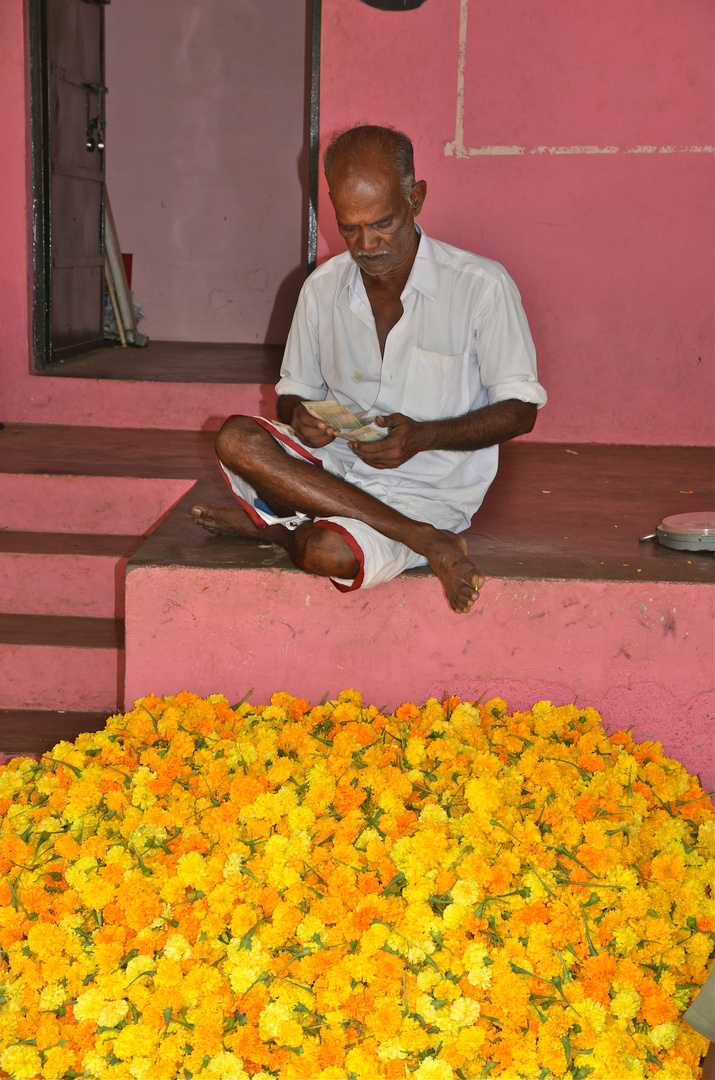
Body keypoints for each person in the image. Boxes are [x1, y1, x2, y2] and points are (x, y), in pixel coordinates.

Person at [191, 124, 547, 613]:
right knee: (235, 438)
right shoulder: (322, 288)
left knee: (326, 552)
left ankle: (277, 528)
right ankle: (425, 541)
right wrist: (303, 419)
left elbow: (520, 411)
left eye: (382, 224)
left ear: (415, 199)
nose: (367, 244)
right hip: (334, 469)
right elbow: (293, 394)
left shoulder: (481, 286)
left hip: (429, 489)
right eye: (350, 227)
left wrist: (422, 437)